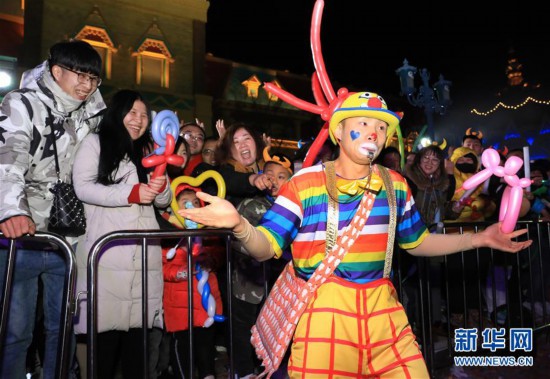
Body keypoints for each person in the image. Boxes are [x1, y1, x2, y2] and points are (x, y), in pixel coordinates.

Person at [178, 91, 532, 378]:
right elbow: (265, 247)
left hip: (385, 312)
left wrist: (479, 238)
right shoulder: (305, 183)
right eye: (363, 123)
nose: (373, 133)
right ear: (338, 131)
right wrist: (239, 226)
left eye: (380, 126)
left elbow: (418, 242)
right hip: (324, 313)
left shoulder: (395, 185)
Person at [0, 39, 105, 379]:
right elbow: (8, 159)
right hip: (22, 237)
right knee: (16, 333)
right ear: (56, 71)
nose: (86, 85)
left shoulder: (93, 113)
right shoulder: (21, 104)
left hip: (68, 239)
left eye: (93, 78)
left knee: (63, 330)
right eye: (79, 75)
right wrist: (11, 211)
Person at [72, 89, 171, 378]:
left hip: (143, 255)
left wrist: (161, 186)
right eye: (132, 112)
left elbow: (162, 202)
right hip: (108, 253)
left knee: (138, 348)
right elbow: (84, 188)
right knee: (104, 344)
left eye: (144, 115)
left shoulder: (150, 152)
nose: (139, 120)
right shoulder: (95, 143)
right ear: (117, 113)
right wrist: (131, 192)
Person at [231, 148, 294, 378]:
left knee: (277, 330)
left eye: (282, 176)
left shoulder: (295, 209)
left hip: (280, 287)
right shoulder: (250, 205)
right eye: (270, 174)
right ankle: (244, 371)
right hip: (247, 284)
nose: (275, 181)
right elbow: (236, 241)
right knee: (244, 329)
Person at [162, 185, 224, 379]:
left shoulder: (207, 232)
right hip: (182, 306)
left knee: (206, 348)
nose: (191, 206)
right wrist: (183, 272)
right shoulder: (169, 235)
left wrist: (210, 259)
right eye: (185, 202)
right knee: (182, 350)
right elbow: (164, 267)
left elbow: (219, 255)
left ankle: (208, 374)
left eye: (196, 202)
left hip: (206, 305)